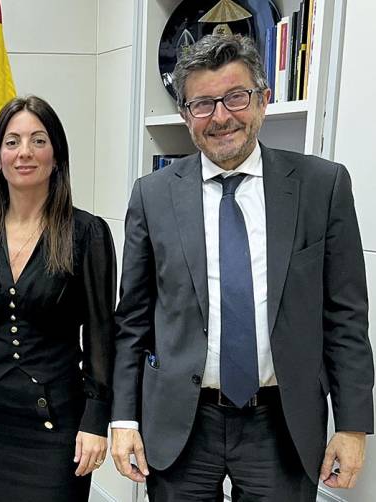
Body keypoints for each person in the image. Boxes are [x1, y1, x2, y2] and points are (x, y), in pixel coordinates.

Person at [111, 34, 373, 501]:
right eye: (203, 104)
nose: (221, 117)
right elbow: (132, 320)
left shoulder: (321, 186)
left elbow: (345, 317)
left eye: (235, 97)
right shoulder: (152, 195)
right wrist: (124, 418)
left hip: (281, 425)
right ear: (187, 116)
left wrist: (352, 425)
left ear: (263, 100)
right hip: (181, 425)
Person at [0, 95, 118, 501]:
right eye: (12, 142)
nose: (24, 152)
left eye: (38, 141)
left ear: (56, 156)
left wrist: (96, 420)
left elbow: (100, 335)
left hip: (57, 425)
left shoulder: (86, 234)